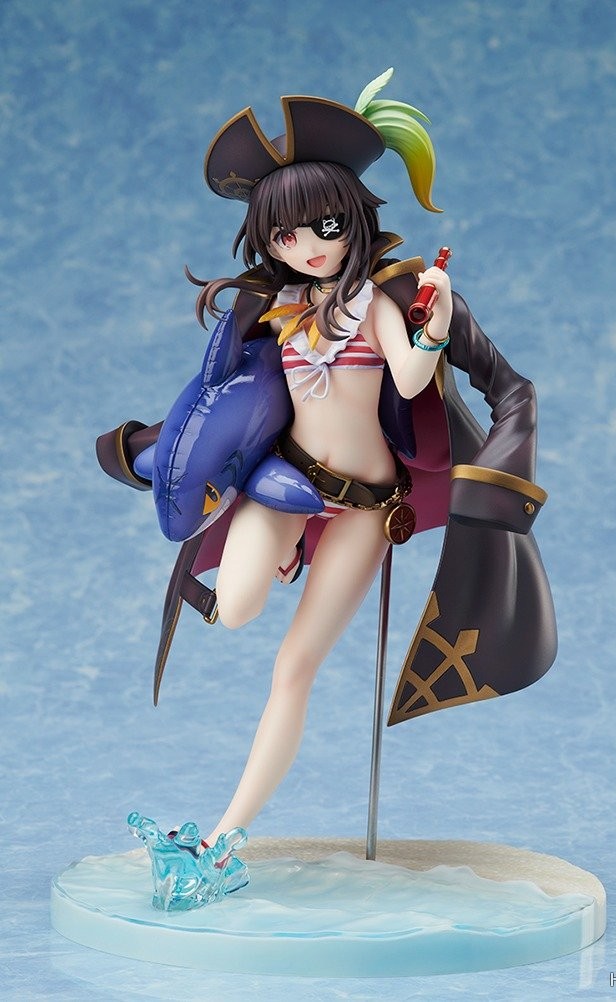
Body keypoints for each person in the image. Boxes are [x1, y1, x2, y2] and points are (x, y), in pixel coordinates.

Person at [99, 70, 557, 865]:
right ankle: (282, 554)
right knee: (236, 608)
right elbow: (232, 402)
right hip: (283, 486)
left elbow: (410, 381)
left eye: (325, 226)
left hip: (369, 509)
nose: (309, 247)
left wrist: (436, 325)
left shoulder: (377, 303)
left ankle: (223, 837)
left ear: (353, 217)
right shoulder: (275, 311)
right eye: (286, 236)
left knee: (294, 666)